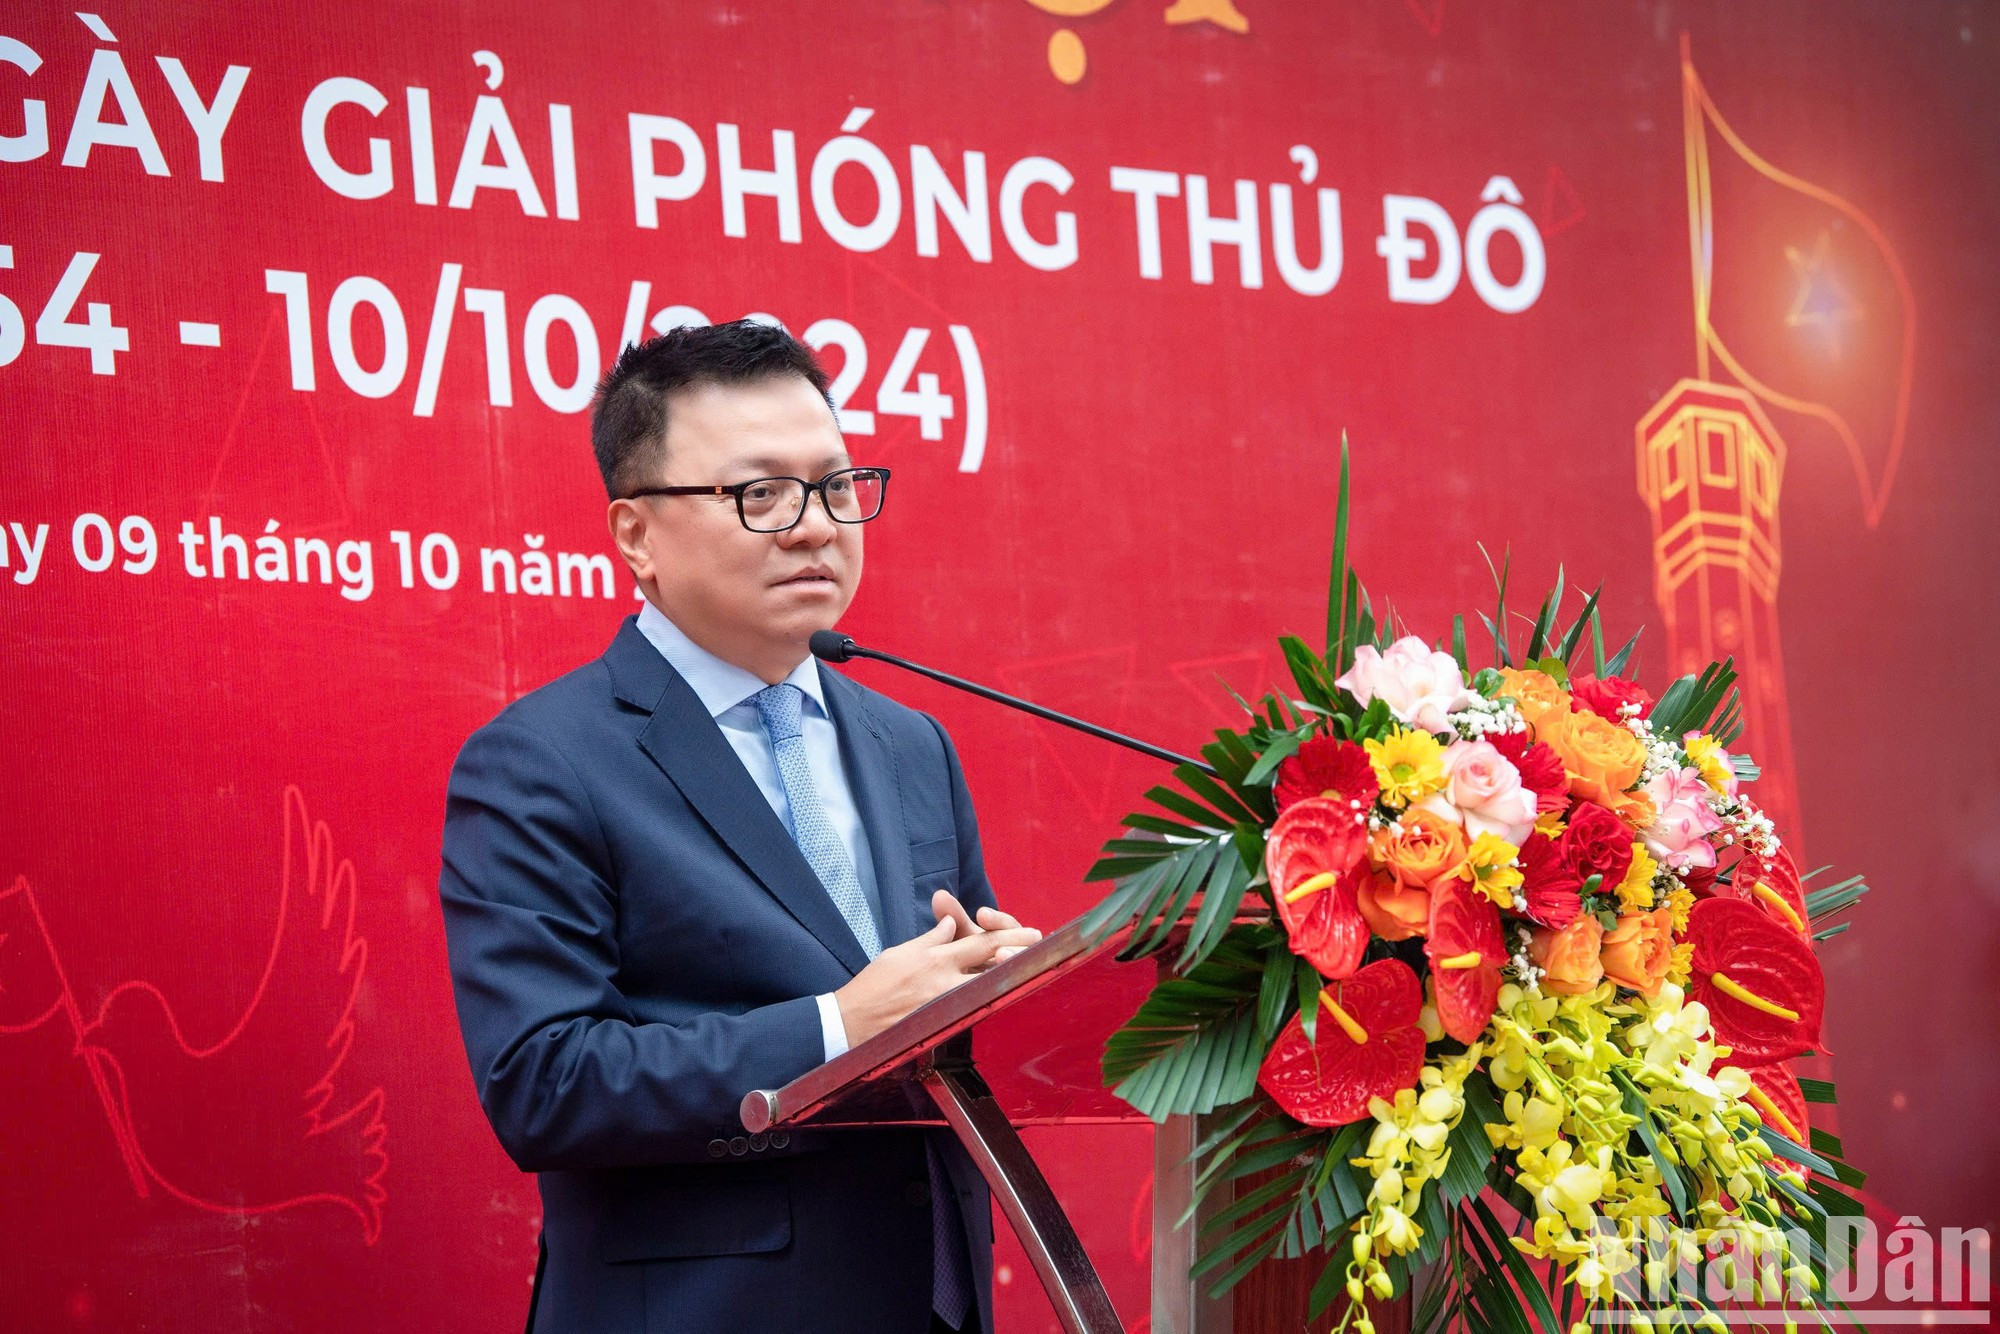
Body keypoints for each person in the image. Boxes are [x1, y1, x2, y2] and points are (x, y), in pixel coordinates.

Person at [438, 319, 1039, 1334]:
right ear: (635, 534)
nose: (815, 526)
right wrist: (838, 1028)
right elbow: (544, 1081)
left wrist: (1008, 987)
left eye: (838, 485)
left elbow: (942, 1037)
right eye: (760, 494)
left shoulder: (910, 743)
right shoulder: (543, 760)